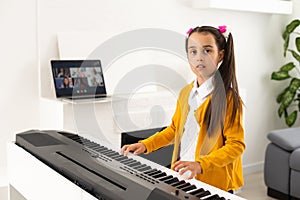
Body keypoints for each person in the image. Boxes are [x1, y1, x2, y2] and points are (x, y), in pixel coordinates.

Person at [120, 26, 245, 193]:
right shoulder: (186, 92)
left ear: (220, 55)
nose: (199, 57)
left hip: (214, 183)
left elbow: (236, 145)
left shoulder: (229, 98)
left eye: (207, 51)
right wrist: (145, 145)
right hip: (183, 176)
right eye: (193, 52)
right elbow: (173, 130)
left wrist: (200, 165)